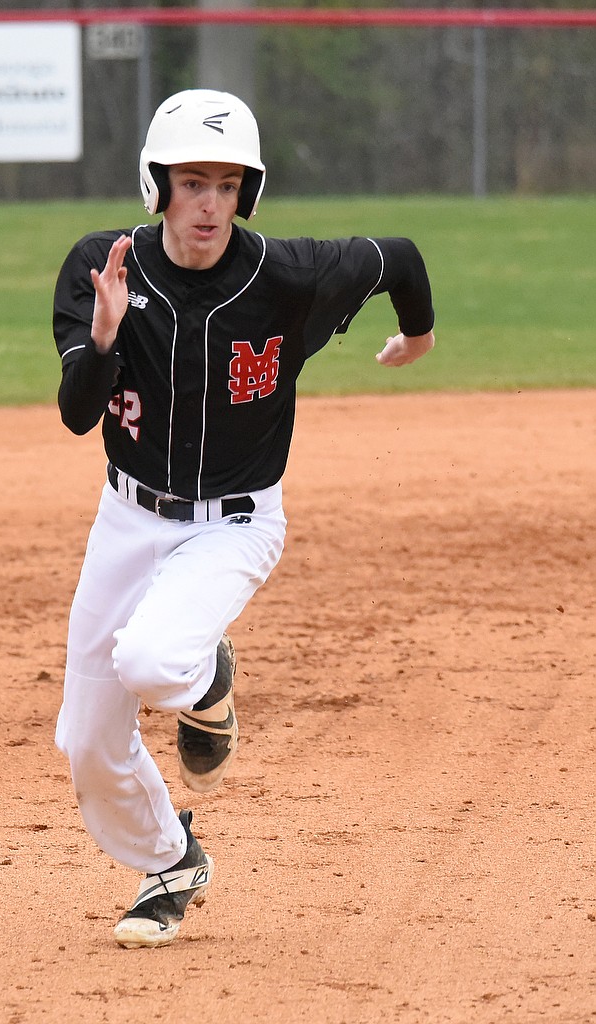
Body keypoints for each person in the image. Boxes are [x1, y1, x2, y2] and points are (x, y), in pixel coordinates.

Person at [52, 88, 435, 949]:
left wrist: (418, 335)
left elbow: (401, 256)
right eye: (192, 182)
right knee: (85, 740)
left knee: (153, 659)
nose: (209, 204)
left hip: (235, 522)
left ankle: (206, 684)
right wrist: (105, 340)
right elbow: (81, 415)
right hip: (128, 518)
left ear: (247, 194)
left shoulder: (286, 275)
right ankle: (170, 860)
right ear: (156, 186)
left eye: (228, 184)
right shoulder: (104, 268)